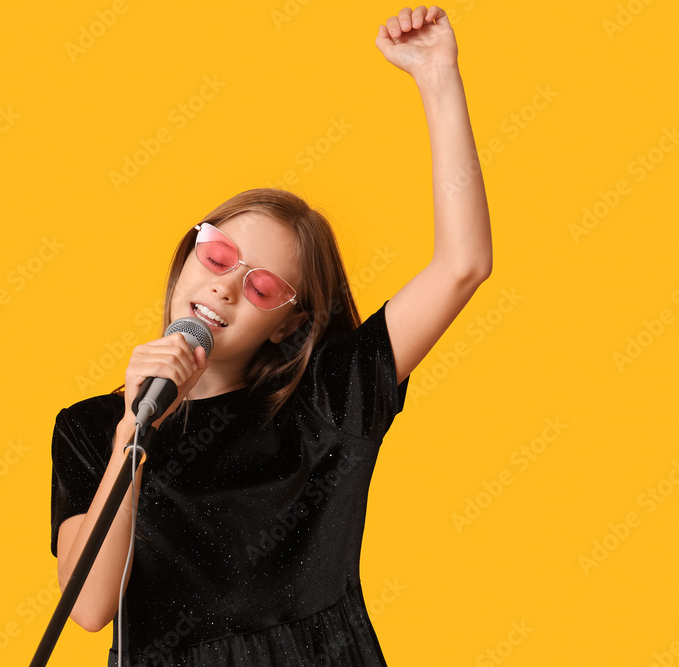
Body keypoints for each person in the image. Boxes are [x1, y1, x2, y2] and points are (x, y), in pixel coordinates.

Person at [51, 6, 492, 665]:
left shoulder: (328, 401)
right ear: (189, 254)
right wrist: (131, 433)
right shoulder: (91, 428)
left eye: (260, 287)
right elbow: (87, 607)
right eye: (220, 256)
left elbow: (464, 264)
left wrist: (438, 76)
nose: (227, 285)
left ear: (287, 320)